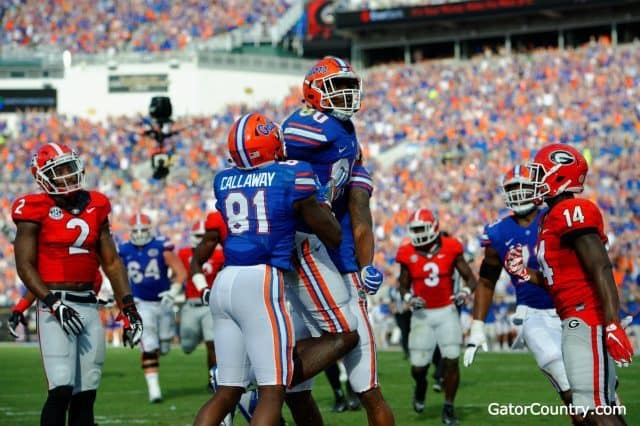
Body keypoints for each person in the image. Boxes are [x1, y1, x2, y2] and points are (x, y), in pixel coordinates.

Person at [194, 112, 356, 426]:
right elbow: (333, 234)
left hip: (225, 281)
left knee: (226, 390)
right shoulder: (292, 175)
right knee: (273, 389)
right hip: (260, 281)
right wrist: (321, 200)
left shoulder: (223, 180)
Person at [281, 56, 395, 425]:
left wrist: (367, 265)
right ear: (313, 93)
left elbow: (361, 214)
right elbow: (282, 137)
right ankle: (254, 388)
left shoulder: (349, 142)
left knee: (366, 385)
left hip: (332, 258)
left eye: (350, 86)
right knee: (337, 357)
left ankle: (257, 387)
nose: (347, 95)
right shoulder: (313, 127)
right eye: (337, 88)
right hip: (304, 250)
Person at [11, 142, 143, 426]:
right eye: (60, 171)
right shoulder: (33, 207)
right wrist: (52, 303)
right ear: (43, 177)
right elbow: (25, 266)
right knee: (61, 389)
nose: (69, 175)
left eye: (70, 168)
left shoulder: (96, 204)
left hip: (88, 305)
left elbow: (112, 262)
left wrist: (128, 307)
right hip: (55, 305)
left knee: (86, 395)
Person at [505, 144, 632, 425]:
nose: (534, 181)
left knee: (598, 409)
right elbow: (559, 282)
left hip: (587, 317)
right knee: (590, 410)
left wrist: (612, 323)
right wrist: (525, 274)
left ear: (559, 175)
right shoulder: (549, 218)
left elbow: (600, 265)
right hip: (574, 317)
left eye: (539, 174)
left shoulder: (572, 209)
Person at [464, 165, 572, 410]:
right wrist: (477, 327)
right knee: (566, 383)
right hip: (533, 313)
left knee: (599, 388)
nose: (518, 193)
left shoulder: (558, 217)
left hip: (573, 306)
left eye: (523, 187)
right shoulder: (498, 232)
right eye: (513, 188)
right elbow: (486, 281)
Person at [395, 209, 478, 425]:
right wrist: (408, 297)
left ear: (433, 227)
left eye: (422, 229)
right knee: (418, 367)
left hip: (446, 311)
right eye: (415, 230)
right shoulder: (407, 252)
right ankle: (420, 387)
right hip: (421, 314)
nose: (419, 234)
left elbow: (471, 279)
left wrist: (465, 293)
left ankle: (448, 407)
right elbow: (402, 285)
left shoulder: (451, 247)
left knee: (451, 360)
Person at [118, 212, 187, 403]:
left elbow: (181, 272)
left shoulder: (161, 246)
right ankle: (154, 390)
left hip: (163, 301)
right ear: (130, 231)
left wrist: (173, 292)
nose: (139, 233)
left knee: (164, 345)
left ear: (150, 230)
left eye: (143, 230)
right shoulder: (123, 250)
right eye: (136, 230)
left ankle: (162, 346)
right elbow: (117, 275)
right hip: (140, 302)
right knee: (149, 345)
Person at [177, 216, 225, 390]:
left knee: (212, 344)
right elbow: (178, 273)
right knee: (187, 346)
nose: (201, 240)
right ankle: (197, 334)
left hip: (210, 303)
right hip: (190, 304)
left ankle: (212, 380)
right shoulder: (184, 254)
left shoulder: (220, 254)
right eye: (198, 236)